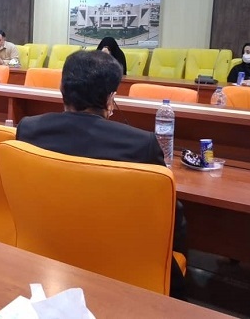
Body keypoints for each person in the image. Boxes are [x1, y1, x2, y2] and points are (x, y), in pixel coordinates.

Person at [16, 50, 186, 299]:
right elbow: (169, 214)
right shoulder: (142, 144)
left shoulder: (28, 128)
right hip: (121, 267)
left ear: (62, 89)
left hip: (47, 252)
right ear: (110, 99)